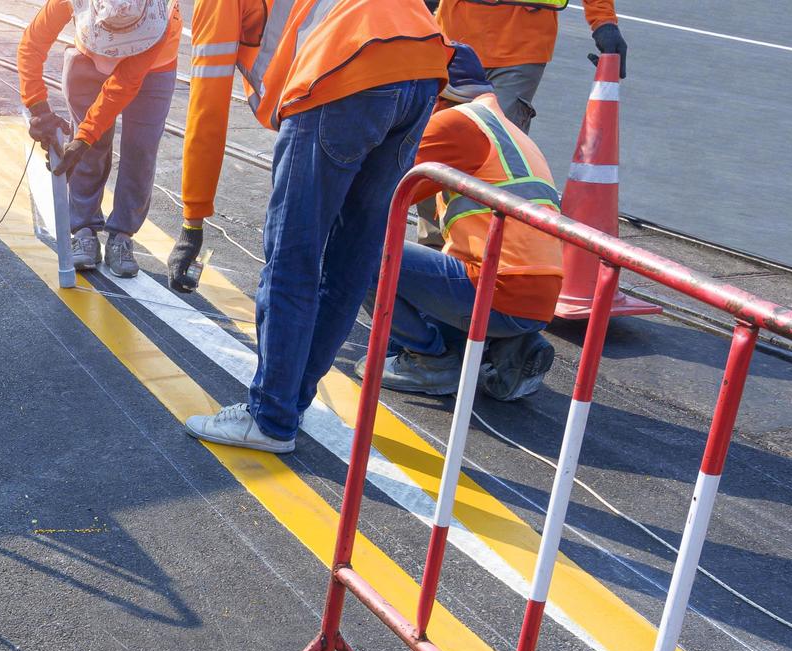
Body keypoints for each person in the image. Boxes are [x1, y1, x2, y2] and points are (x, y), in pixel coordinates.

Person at [174, 0, 452, 454]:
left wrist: (193, 218)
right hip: (421, 61)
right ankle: (287, 404)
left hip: (343, 70)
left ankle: (270, 418)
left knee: (292, 257)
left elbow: (208, 107)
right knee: (350, 261)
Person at [370, 44, 561, 402]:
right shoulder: (502, 126)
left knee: (358, 253)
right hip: (533, 295)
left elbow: (380, 193)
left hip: (496, 288)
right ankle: (507, 346)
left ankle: (430, 361)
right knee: (421, 276)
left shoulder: (455, 123)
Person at [17, 0, 181, 278]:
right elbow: (32, 45)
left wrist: (83, 138)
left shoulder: (161, 19)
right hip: (88, 58)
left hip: (153, 67)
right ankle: (84, 228)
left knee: (141, 151)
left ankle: (122, 235)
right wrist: (37, 108)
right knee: (89, 153)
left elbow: (121, 87)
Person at [433, 0, 625, 132]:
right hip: (454, 41)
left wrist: (603, 22)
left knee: (498, 141)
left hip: (522, 47)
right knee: (437, 139)